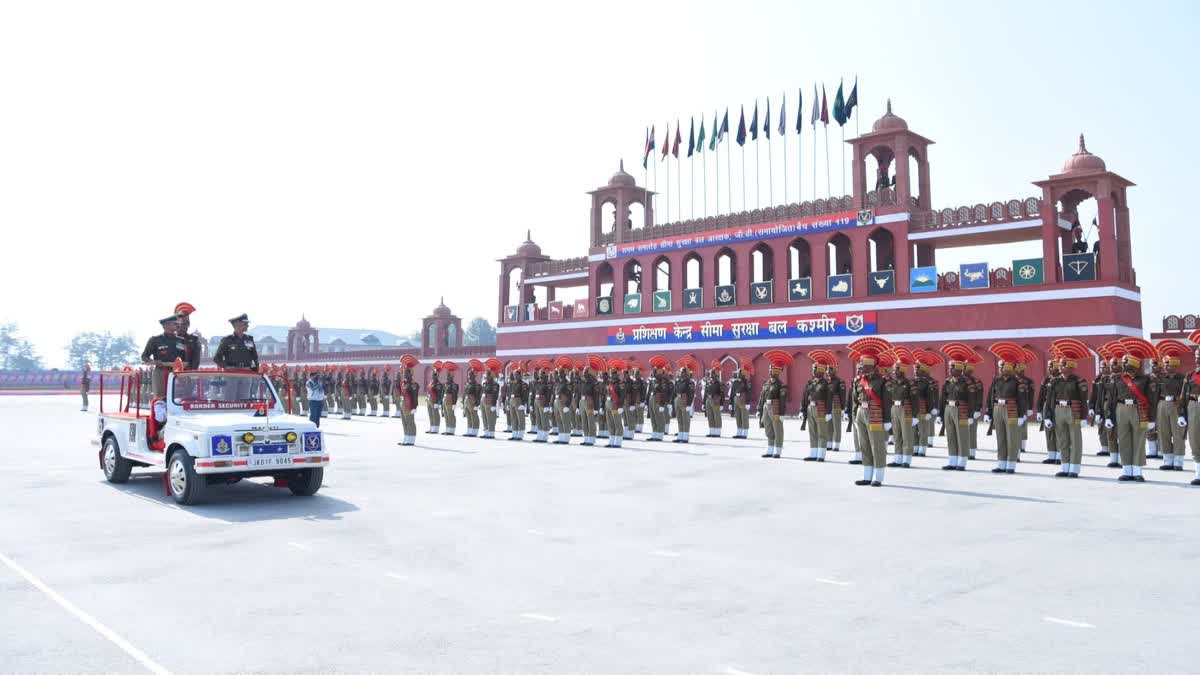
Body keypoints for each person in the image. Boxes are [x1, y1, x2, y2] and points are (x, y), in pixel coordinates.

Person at [1106, 340, 1158, 482]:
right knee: (1123, 440)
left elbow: (1152, 401)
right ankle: (1126, 470)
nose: (1122, 364)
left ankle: (1137, 471)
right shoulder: (1118, 379)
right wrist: (1109, 416)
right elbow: (1112, 399)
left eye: (1125, 361)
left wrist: (1152, 419)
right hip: (1121, 409)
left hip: (1138, 410)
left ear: (1134, 364)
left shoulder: (1146, 380)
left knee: (1138, 441)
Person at [849, 339, 894, 485]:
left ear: (873, 366)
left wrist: (887, 420)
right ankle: (867, 476)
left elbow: (887, 402)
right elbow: (854, 400)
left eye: (864, 365)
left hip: (875, 414)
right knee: (864, 445)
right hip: (861, 413)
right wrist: (855, 416)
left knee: (877, 445)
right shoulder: (857, 381)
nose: (861, 367)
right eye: (861, 364)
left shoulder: (882, 382)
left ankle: (878, 477)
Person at [1045, 341, 1089, 478]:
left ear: (1070, 366)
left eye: (1063, 364)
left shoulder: (1079, 381)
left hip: (1073, 411)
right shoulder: (1054, 381)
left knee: (1075, 440)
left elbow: (1083, 400)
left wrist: (1083, 416)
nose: (1060, 366)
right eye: (1060, 364)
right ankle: (1065, 467)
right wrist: (1048, 415)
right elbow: (1050, 400)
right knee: (1062, 439)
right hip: (1059, 410)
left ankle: (1074, 468)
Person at [984, 345, 1031, 474]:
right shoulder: (996, 380)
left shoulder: (1017, 382)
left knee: (1012, 438)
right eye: (1000, 366)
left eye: (1002, 366)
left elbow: (1022, 400)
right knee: (1001, 437)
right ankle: (1001, 463)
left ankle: (1011, 464)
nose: (1000, 369)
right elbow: (990, 396)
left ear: (1008, 367)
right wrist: (988, 412)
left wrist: (1022, 415)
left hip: (1011, 410)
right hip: (997, 409)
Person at [1153, 343, 1188, 471]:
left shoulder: (1183, 379)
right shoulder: (1160, 378)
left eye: (1168, 364)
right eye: (1165, 363)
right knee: (1163, 433)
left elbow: (1185, 395)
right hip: (1162, 405)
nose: (1166, 366)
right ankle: (1167, 460)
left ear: (1175, 364)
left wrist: (1183, 412)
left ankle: (1178, 461)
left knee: (1178, 434)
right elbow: (1155, 395)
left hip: (1176, 405)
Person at [141, 315, 189, 397]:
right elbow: (144, 357)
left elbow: (184, 359)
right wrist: (154, 362)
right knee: (161, 397)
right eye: (174, 323)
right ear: (166, 325)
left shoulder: (181, 341)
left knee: (176, 398)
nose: (178, 325)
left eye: (178, 323)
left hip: (177, 372)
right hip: (160, 372)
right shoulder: (155, 340)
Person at [886, 353, 917, 468]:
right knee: (897, 434)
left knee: (906, 435)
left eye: (896, 370)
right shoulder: (891, 383)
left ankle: (906, 460)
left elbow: (915, 400)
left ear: (903, 371)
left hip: (906, 409)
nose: (894, 372)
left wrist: (915, 415)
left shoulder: (910, 383)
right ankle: (898, 459)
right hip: (894, 408)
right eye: (894, 370)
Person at [761, 351, 791, 458]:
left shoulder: (781, 385)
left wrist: (782, 413)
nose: (770, 372)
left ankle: (777, 450)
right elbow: (762, 397)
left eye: (772, 370)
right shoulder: (766, 383)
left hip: (775, 408)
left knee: (777, 429)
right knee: (768, 428)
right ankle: (770, 449)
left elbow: (782, 400)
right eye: (769, 370)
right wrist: (760, 410)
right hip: (766, 407)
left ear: (777, 372)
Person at [802, 356, 830, 462]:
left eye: (815, 369)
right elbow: (804, 396)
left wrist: (828, 412)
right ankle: (813, 454)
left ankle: (821, 455)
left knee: (821, 432)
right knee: (812, 432)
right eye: (813, 369)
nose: (813, 371)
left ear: (821, 370)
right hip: (810, 408)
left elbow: (829, 398)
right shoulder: (811, 383)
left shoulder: (826, 384)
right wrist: (802, 409)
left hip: (821, 409)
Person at [1181, 338, 1200, 485]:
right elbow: (1183, 396)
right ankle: (1199, 474)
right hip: (1194, 407)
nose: (1197, 359)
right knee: (1195, 439)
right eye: (1196, 356)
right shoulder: (1190, 375)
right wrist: (1181, 413)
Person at [1036, 359, 1061, 465]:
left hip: (1058, 406)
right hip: (1047, 406)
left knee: (1060, 432)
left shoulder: (1061, 380)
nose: (1049, 368)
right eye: (1048, 366)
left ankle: (1060, 456)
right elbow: (1041, 396)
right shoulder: (1046, 380)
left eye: (1051, 366)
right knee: (1049, 432)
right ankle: (1051, 455)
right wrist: (1039, 410)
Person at [397, 358, 420, 445]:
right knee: (404, 421)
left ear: (410, 373)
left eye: (406, 371)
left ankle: (411, 439)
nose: (404, 373)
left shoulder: (413, 384)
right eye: (404, 371)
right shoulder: (404, 382)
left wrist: (414, 407)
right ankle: (406, 437)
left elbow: (414, 396)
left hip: (409, 404)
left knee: (410, 421)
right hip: (403, 403)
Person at [673, 361, 695, 444]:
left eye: (683, 372)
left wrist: (689, 404)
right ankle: (680, 435)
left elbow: (691, 394)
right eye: (681, 371)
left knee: (685, 419)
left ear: (687, 373)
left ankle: (685, 437)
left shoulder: (690, 382)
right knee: (679, 418)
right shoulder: (678, 381)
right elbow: (675, 391)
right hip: (678, 399)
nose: (681, 373)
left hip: (685, 400)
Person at [174, 302, 202, 370]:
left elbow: (196, 359)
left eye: (185, 324)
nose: (183, 326)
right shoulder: (170, 339)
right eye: (180, 324)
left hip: (188, 373)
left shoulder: (194, 339)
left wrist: (192, 373)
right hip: (172, 372)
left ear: (188, 325)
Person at [604, 360, 625, 447]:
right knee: (610, 424)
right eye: (611, 373)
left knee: (617, 423)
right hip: (609, 405)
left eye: (614, 373)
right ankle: (611, 441)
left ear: (617, 374)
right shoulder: (609, 383)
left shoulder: (620, 384)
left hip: (616, 405)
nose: (612, 374)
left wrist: (620, 407)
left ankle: (618, 442)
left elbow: (622, 396)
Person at [728, 362, 752, 439]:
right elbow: (732, 392)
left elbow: (749, 392)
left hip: (743, 400)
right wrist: (730, 403)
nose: (738, 374)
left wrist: (748, 402)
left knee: (744, 416)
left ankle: (745, 433)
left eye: (739, 373)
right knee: (738, 416)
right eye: (738, 373)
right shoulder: (735, 382)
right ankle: (739, 432)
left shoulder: (746, 382)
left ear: (743, 374)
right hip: (736, 399)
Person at [507, 363, 529, 441]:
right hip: (512, 401)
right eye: (514, 374)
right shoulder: (513, 383)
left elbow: (525, 395)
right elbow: (510, 393)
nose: (515, 376)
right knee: (513, 418)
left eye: (516, 374)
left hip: (519, 401)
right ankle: (514, 434)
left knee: (520, 419)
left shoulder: (523, 384)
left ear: (520, 375)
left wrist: (523, 404)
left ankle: (520, 435)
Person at [554, 364, 574, 444]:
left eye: (561, 373)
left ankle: (566, 438)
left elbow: (570, 395)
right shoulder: (558, 382)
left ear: (564, 374)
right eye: (558, 373)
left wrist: (567, 406)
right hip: (557, 402)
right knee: (559, 421)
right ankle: (561, 437)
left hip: (564, 403)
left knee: (565, 421)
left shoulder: (567, 383)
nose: (559, 374)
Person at [481, 360, 501, 439]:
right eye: (487, 375)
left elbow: (495, 395)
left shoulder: (495, 384)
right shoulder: (485, 383)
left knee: (491, 417)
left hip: (490, 401)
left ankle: (491, 433)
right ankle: (486, 432)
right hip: (483, 400)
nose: (487, 376)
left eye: (488, 375)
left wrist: (493, 404)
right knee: (484, 416)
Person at [704, 363, 724, 438]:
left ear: (716, 374)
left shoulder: (719, 383)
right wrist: (703, 403)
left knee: (716, 416)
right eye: (710, 374)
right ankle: (711, 431)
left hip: (715, 400)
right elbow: (706, 392)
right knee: (710, 416)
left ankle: (717, 432)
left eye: (712, 373)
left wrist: (721, 404)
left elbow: (722, 394)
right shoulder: (708, 382)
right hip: (708, 400)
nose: (710, 375)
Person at [463, 362, 482, 437]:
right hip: (467, 401)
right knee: (468, 415)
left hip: (473, 401)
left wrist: (477, 404)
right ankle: (469, 430)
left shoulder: (476, 385)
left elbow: (478, 395)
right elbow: (465, 393)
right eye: (468, 375)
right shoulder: (468, 384)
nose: (468, 376)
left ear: (474, 376)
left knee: (474, 415)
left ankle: (475, 431)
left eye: (470, 375)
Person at [442, 364, 459, 435]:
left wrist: (454, 403)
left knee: (450, 415)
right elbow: (442, 393)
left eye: (449, 376)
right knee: (446, 415)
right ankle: (448, 428)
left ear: (452, 377)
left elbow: (455, 395)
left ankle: (452, 430)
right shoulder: (446, 384)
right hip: (445, 400)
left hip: (450, 400)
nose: (447, 377)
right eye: (447, 376)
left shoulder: (454, 385)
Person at [427, 365, 443, 433]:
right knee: (430, 414)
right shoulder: (431, 383)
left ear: (437, 376)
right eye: (433, 375)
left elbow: (439, 394)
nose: (433, 376)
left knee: (435, 414)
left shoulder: (438, 384)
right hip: (429, 400)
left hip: (435, 400)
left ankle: (436, 428)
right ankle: (431, 427)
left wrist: (438, 402)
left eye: (435, 375)